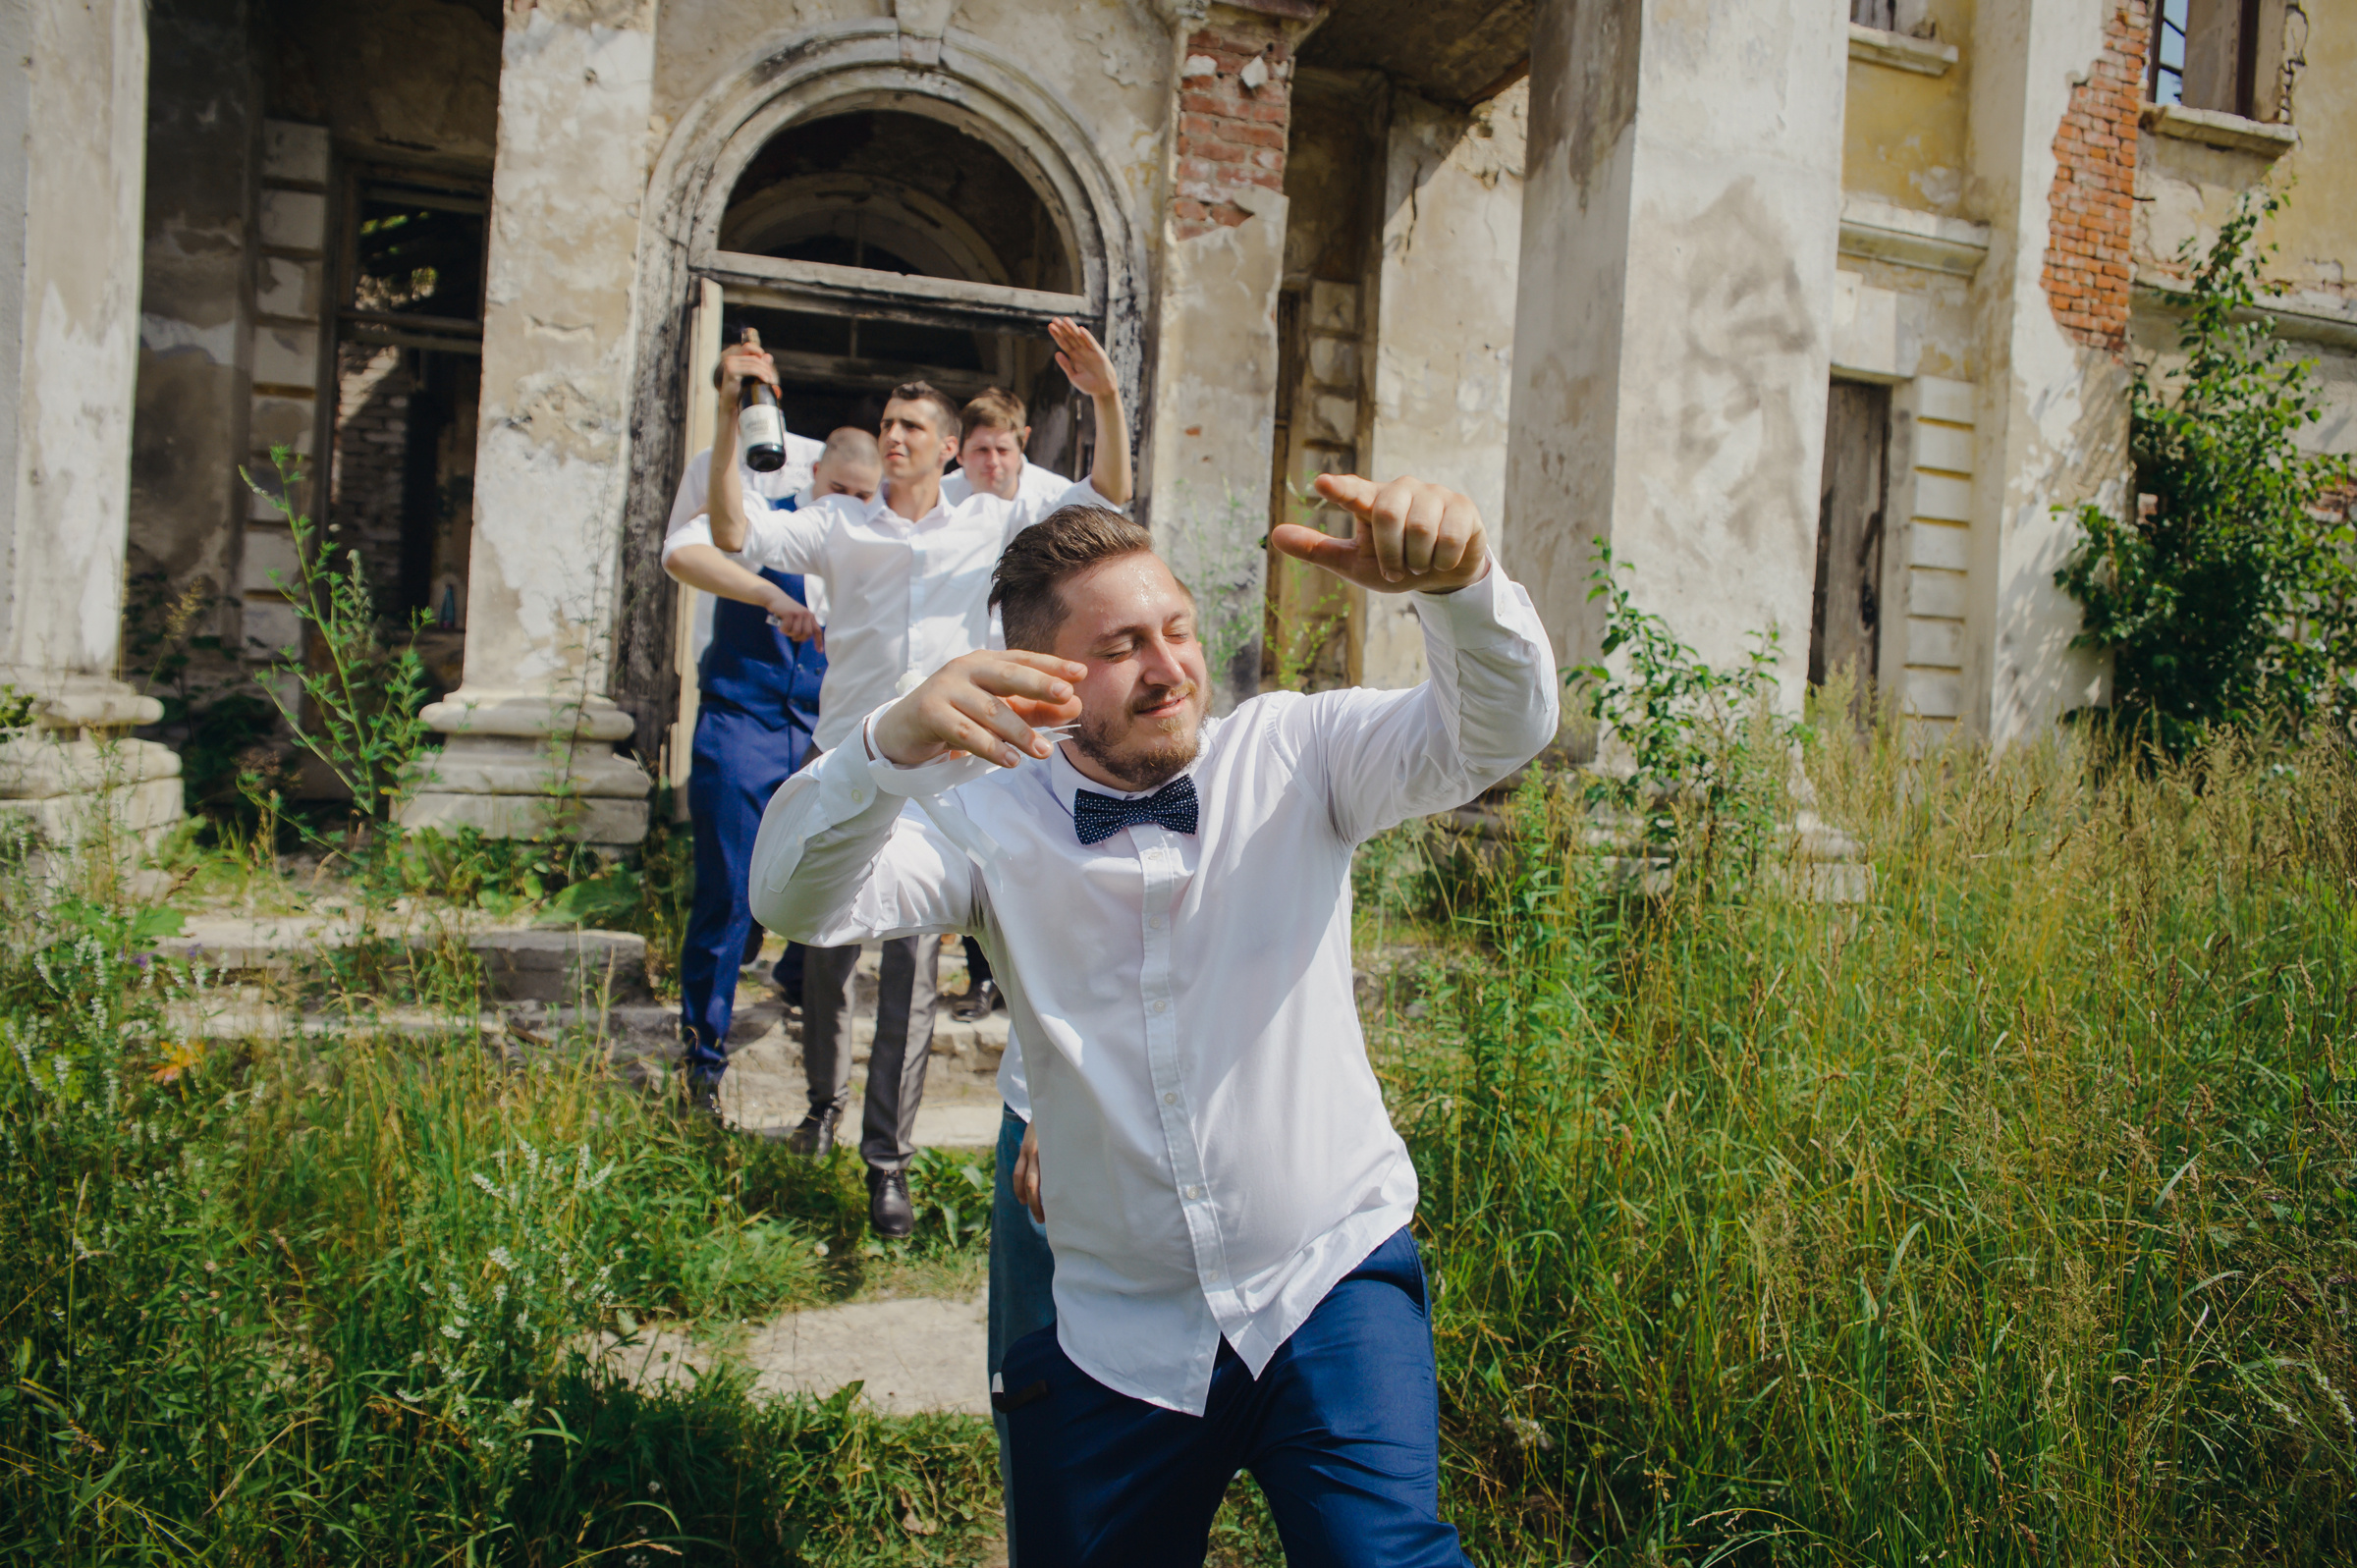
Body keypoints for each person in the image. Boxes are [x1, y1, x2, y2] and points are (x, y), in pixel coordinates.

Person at [743, 475, 1559, 1565]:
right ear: (1043, 678)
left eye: (1176, 628)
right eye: (1124, 645)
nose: (1171, 666)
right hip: (1124, 1332)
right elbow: (794, 901)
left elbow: (1499, 731)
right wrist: (883, 747)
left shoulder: (1296, 753)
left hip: (1326, 1276)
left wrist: (1462, 589)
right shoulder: (984, 815)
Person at [663, 318, 1133, 1238]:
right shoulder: (837, 523)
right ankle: (822, 1107)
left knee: (912, 981)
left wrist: (1104, 400)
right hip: (848, 769)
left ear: (951, 448)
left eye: (914, 426)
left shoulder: (994, 519)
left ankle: (889, 1161)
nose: (894, 435)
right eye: (887, 422)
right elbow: (729, 529)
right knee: (827, 966)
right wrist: (730, 419)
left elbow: (1106, 501)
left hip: (949, 789)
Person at [667, 380, 880, 1114]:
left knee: (827, 873)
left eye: (865, 493)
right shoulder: (772, 522)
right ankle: (702, 1054)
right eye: (841, 488)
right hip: (745, 718)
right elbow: (684, 554)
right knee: (727, 888)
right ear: (815, 477)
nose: (850, 504)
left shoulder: (877, 545)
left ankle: (794, 972)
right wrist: (771, 595)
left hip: (827, 735)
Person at [939, 383, 1087, 1022]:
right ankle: (981, 976)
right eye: (979, 453)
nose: (991, 465)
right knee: (969, 834)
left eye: (1001, 450)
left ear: (1021, 444)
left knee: (1031, 832)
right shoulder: (940, 501)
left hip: (1033, 688)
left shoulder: (1051, 498)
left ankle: (1039, 972)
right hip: (962, 691)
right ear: (960, 453)